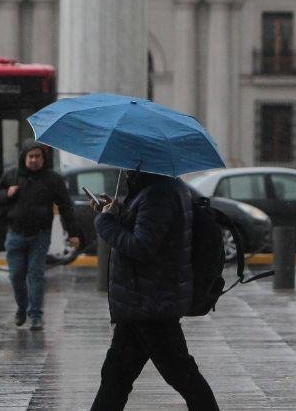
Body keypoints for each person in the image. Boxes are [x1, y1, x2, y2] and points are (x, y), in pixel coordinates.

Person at [89, 170, 219, 411]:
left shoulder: (158, 194)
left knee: (182, 375)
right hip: (142, 301)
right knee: (115, 376)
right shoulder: (161, 187)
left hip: (151, 302)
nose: (126, 166)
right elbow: (146, 231)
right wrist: (116, 212)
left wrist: (105, 224)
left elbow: (142, 246)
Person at [0, 141, 80, 331]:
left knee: (36, 274)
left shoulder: (52, 179)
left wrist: (73, 233)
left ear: (43, 158)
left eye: (37, 156)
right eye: (30, 156)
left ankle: (36, 315)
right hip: (15, 233)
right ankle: (22, 308)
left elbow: (66, 206)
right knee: (16, 275)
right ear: (24, 158)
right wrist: (6, 193)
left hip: (40, 235)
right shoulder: (12, 175)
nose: (34, 160)